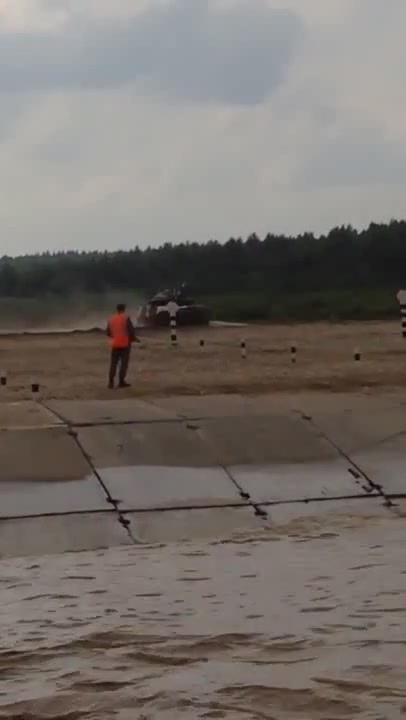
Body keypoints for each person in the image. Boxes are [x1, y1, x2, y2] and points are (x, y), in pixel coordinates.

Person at [106, 303, 138, 389]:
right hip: (125, 344)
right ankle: (121, 382)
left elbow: (108, 332)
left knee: (113, 364)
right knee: (123, 364)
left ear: (117, 309)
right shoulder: (126, 318)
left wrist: (115, 337)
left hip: (115, 344)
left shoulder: (111, 318)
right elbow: (131, 330)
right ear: (124, 309)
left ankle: (111, 383)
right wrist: (134, 339)